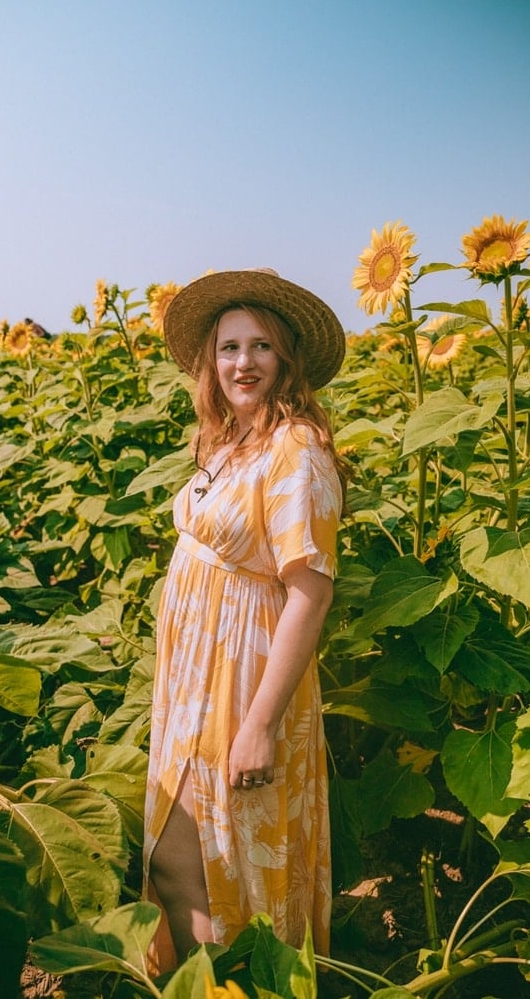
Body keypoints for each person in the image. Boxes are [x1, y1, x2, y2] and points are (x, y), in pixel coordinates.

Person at [142, 268, 347, 973]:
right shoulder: (226, 442)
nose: (242, 362)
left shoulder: (297, 447)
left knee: (209, 861)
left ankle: (237, 986)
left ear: (286, 358)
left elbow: (309, 595)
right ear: (210, 361)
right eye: (229, 347)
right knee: (187, 860)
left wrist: (258, 724)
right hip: (193, 680)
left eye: (261, 346)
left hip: (243, 681)